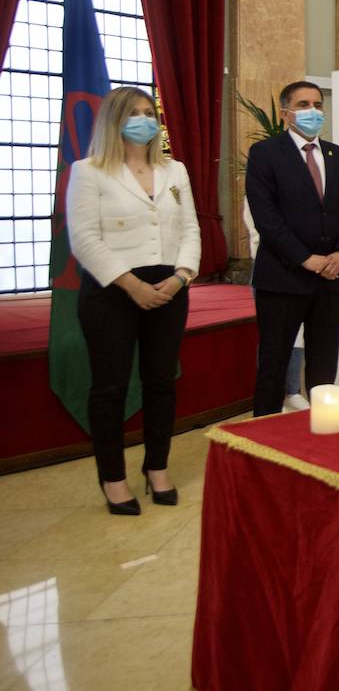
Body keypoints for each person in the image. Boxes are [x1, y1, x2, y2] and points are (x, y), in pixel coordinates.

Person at [67, 87, 200, 514]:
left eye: (149, 113)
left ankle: (157, 467)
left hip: (170, 287)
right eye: (134, 113)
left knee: (161, 381)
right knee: (111, 388)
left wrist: (181, 277)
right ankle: (114, 478)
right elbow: (85, 239)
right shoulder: (89, 171)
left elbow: (190, 230)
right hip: (112, 292)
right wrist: (132, 285)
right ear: (114, 121)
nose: (144, 120)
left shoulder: (174, 169)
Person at [246, 81, 339, 417]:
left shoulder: (338, 156)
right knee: (274, 365)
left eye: (317, 104)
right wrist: (306, 259)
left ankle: (322, 432)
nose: (312, 111)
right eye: (303, 104)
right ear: (286, 113)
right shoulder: (266, 154)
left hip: (331, 278)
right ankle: (264, 440)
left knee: (324, 365)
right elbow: (266, 218)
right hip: (283, 279)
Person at [243, 198, 307, 410]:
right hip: (271, 266)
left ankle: (292, 390)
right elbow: (263, 226)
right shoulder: (261, 183)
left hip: (303, 265)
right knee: (273, 336)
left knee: (297, 333)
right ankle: (273, 396)